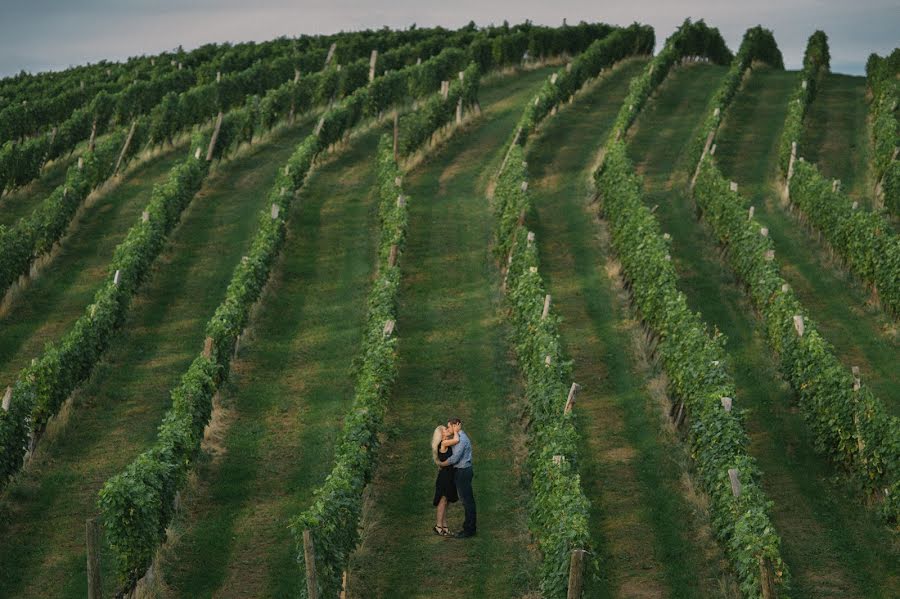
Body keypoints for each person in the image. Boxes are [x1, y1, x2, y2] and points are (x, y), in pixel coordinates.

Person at [439, 417, 475, 538]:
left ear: (457, 425)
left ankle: (469, 529)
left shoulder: (462, 440)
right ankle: (469, 527)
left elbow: (455, 459)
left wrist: (441, 464)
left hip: (463, 471)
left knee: (467, 501)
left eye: (450, 426)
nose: (448, 429)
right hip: (461, 470)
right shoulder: (457, 438)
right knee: (466, 500)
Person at [431, 425, 460, 536]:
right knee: (442, 501)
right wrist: (456, 430)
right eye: (445, 430)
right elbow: (457, 440)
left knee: (446, 501)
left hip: (449, 476)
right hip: (445, 477)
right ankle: (439, 526)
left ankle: (444, 525)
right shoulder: (443, 444)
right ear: (441, 435)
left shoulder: (446, 442)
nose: (448, 430)